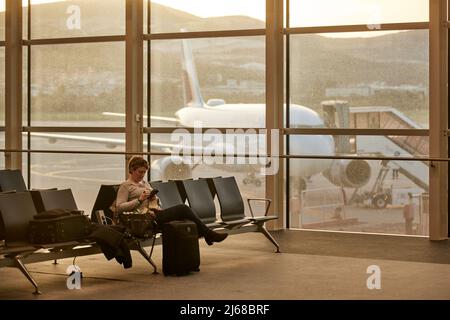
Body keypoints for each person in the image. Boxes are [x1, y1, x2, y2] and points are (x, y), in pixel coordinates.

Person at [115, 156, 228, 245]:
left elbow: (159, 204)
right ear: (131, 170)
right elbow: (119, 207)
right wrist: (139, 200)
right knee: (183, 208)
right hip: (143, 220)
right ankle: (208, 234)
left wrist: (155, 199)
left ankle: (207, 235)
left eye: (144, 172)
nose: (142, 175)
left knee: (185, 217)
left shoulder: (145, 184)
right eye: (140, 172)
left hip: (155, 214)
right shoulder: (126, 186)